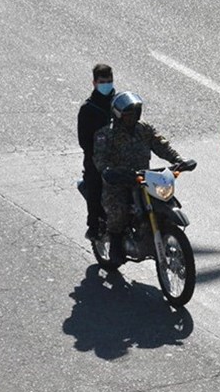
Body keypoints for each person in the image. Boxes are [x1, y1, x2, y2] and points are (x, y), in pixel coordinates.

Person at [93, 91, 189, 264]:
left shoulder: (144, 129)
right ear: (118, 115)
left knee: (166, 201)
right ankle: (115, 244)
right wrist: (108, 171)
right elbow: (100, 159)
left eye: (135, 113)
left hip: (143, 179)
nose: (132, 117)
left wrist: (178, 161)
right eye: (128, 114)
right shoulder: (105, 134)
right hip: (118, 182)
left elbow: (161, 145)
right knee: (118, 211)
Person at [78, 63, 116, 240]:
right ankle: (94, 227)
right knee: (96, 187)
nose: (106, 85)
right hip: (96, 160)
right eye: (102, 82)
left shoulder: (119, 103)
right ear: (94, 83)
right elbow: (85, 142)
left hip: (121, 156)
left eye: (109, 81)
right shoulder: (88, 109)